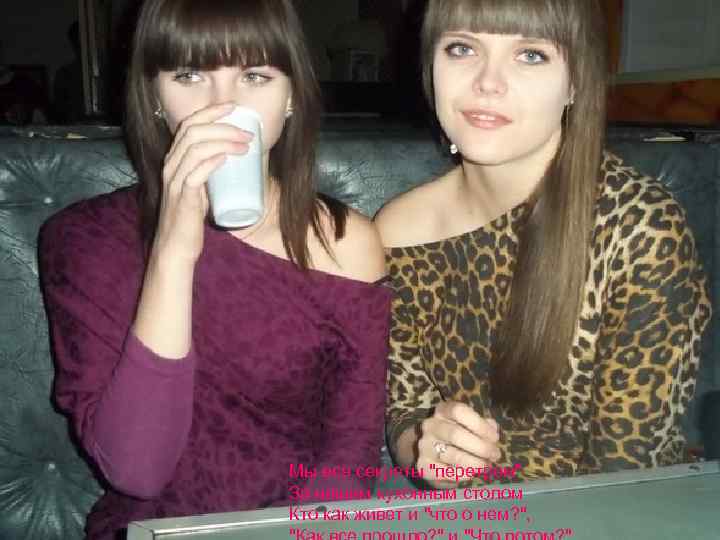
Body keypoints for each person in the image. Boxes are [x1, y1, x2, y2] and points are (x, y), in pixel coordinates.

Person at [38, 0, 391, 538]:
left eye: (255, 76)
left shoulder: (346, 244)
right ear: (155, 97)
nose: (222, 106)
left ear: (291, 96)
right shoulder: (85, 239)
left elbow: (347, 464)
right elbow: (136, 469)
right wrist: (173, 252)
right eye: (189, 76)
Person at [375, 0, 711, 488]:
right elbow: (405, 410)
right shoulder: (398, 230)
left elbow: (629, 474)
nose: (488, 82)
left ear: (575, 83)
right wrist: (427, 448)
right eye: (462, 48)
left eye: (531, 55)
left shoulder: (640, 230)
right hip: (462, 513)